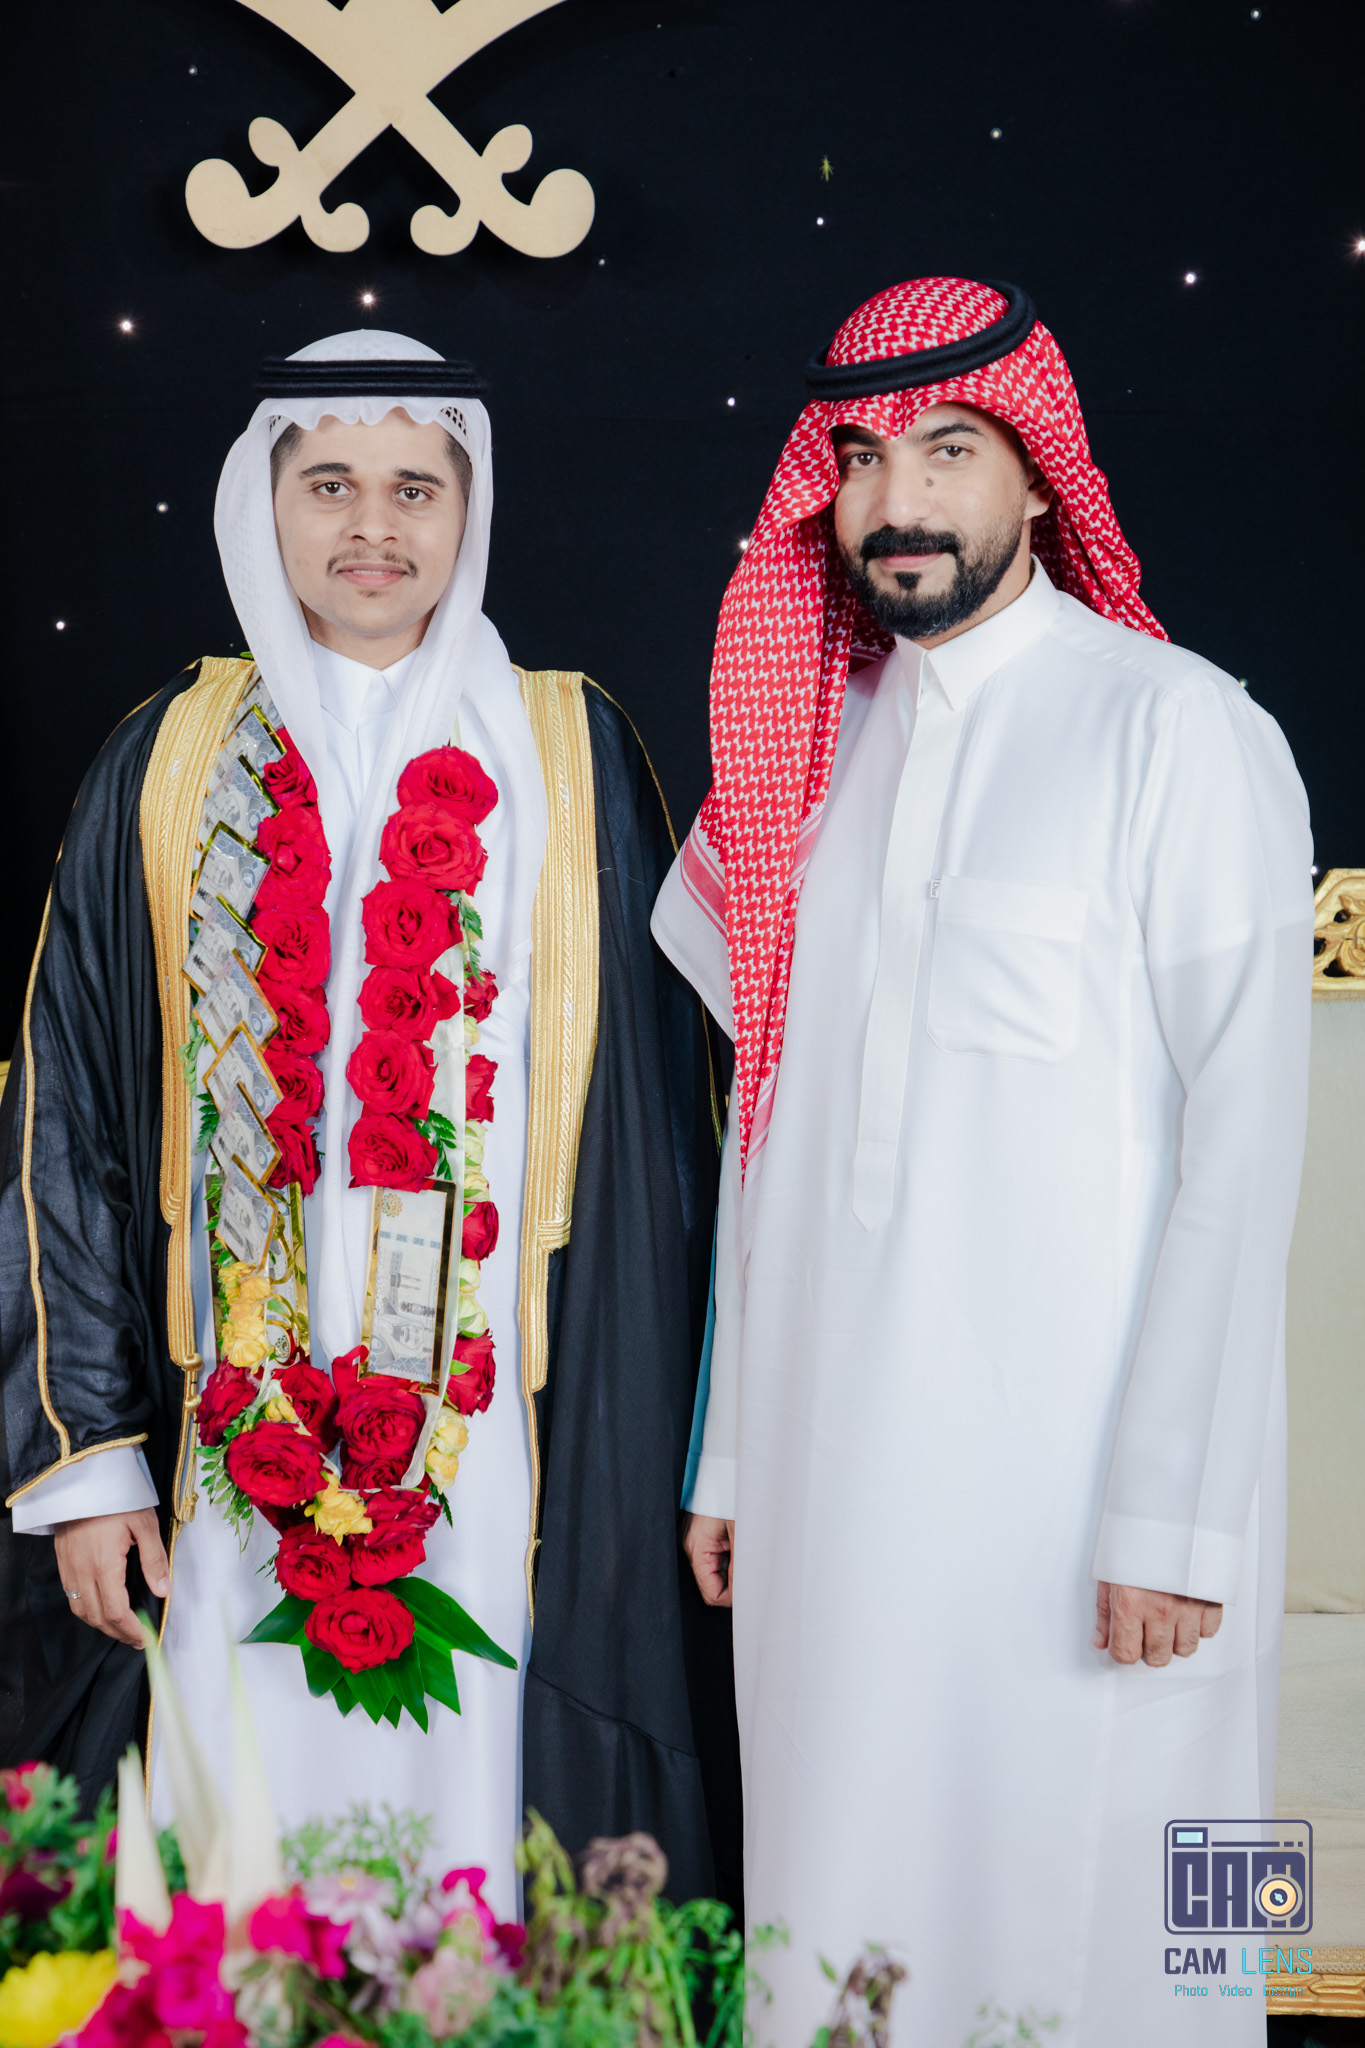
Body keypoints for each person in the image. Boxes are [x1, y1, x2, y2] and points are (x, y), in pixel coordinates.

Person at [654, 277, 1312, 2043]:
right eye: (861, 459)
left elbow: (1247, 1144)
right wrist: (733, 1452)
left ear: (1036, 477)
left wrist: (1175, 1514)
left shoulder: (1177, 725)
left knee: (1148, 1932)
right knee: (843, 1916)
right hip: (831, 1490)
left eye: (949, 449)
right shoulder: (802, 766)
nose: (900, 501)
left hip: (1096, 1507)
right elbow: (769, 1130)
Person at [0, 332, 722, 1916]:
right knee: (230, 1789)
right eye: (328, 485)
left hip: (505, 1404)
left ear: (470, 509)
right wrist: (89, 1462)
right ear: (263, 505)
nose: (372, 526)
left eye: (414, 487)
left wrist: (686, 1446)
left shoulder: (568, 747)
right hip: (223, 1393)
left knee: (487, 1779)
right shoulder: (167, 759)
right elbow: (65, 1113)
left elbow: (671, 1133)